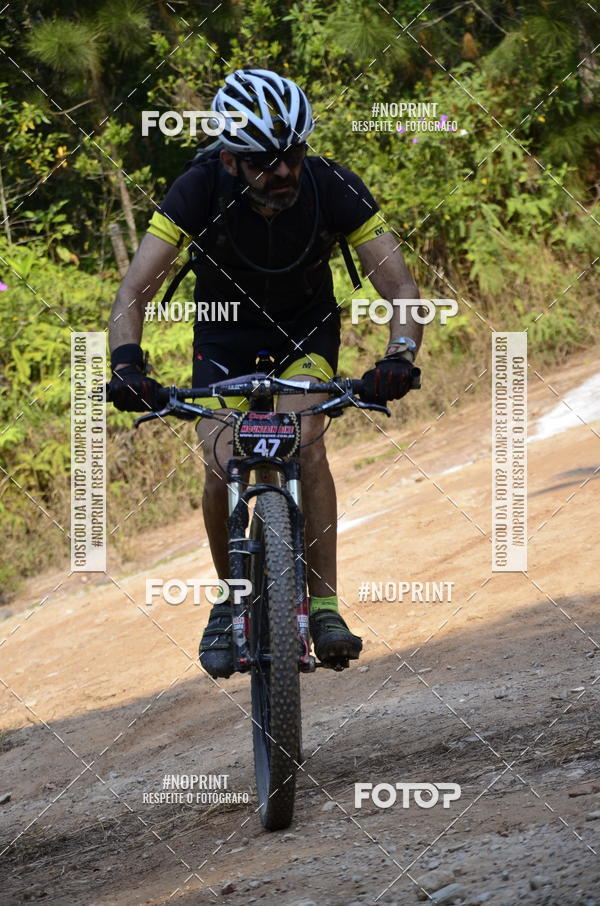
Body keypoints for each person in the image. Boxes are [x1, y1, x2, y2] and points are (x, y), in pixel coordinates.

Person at [107, 68, 422, 679]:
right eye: (266, 161)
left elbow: (401, 286)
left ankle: (325, 606)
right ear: (230, 159)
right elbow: (133, 291)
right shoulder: (196, 189)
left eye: (294, 155)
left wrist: (399, 355)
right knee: (222, 460)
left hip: (305, 331)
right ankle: (227, 605)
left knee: (304, 446)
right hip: (224, 338)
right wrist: (126, 364)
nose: (284, 172)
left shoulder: (332, 185)